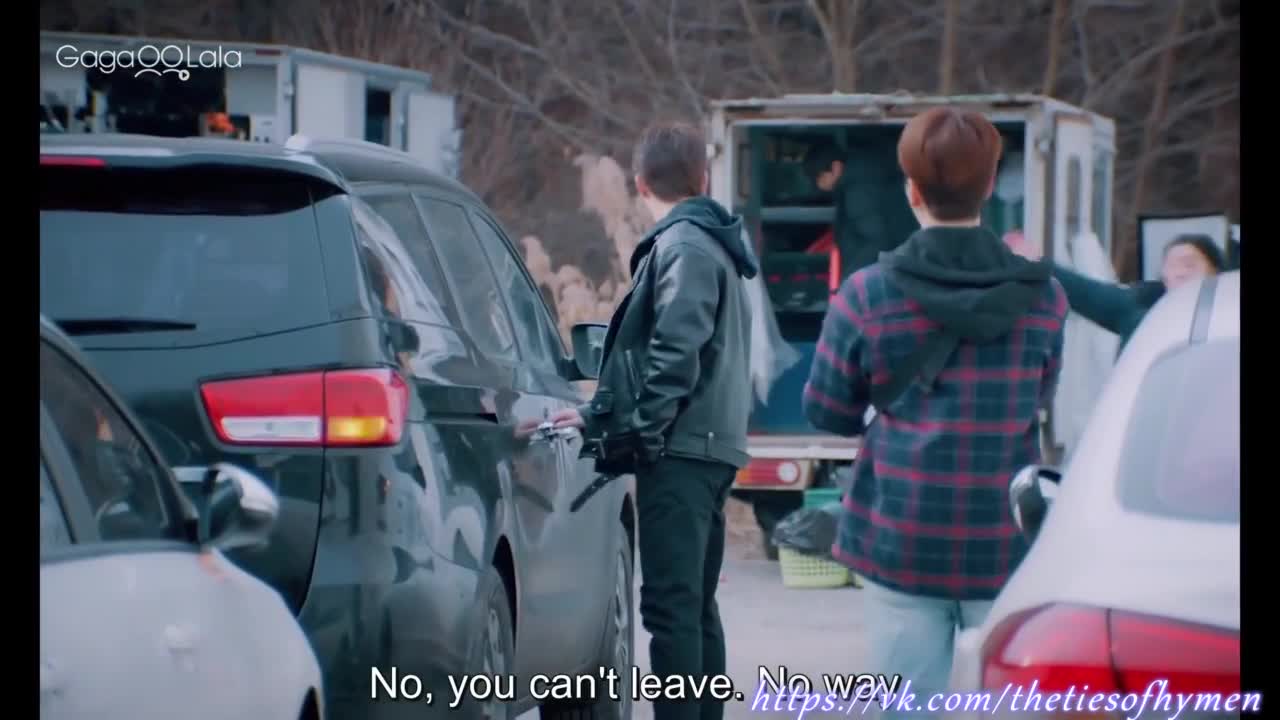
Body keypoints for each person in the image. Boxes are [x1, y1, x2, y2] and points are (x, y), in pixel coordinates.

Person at [802, 108, 1068, 719]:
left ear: (913, 191)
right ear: (991, 184)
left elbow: (827, 409)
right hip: (1003, 541)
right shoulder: (1044, 297)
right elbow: (1040, 397)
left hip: (899, 536)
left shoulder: (866, 294)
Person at [550, 121, 757, 720]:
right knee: (692, 609)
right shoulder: (708, 243)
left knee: (671, 610)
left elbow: (673, 356)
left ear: (640, 183)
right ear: (704, 178)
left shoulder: (684, 246)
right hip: (707, 445)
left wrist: (640, 433)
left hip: (683, 450)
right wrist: (595, 417)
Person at [1005, 230, 1227, 351]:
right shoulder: (1140, 315)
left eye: (1189, 264)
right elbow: (1085, 292)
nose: (1179, 273)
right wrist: (1035, 264)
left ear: (1215, 273)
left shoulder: (1229, 322)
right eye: (1170, 265)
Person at [803, 140, 917, 280]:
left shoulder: (857, 192)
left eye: (818, 177)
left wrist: (850, 278)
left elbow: (877, 241)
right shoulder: (863, 179)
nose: (817, 185)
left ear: (836, 168)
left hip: (876, 275)